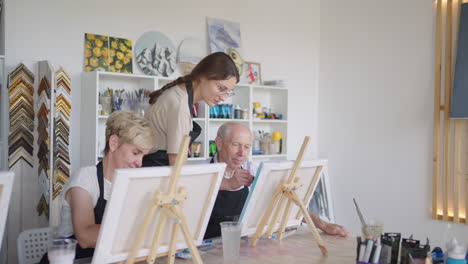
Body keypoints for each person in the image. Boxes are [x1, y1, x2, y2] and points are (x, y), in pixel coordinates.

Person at [39, 111, 155, 263]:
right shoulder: (85, 178)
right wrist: (141, 232)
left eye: (143, 156)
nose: (139, 163)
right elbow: (85, 237)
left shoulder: (129, 185)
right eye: (135, 153)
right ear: (113, 143)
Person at [204, 122, 349, 239]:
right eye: (235, 145)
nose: (242, 153)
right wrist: (228, 184)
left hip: (242, 242)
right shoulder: (202, 171)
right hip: (206, 244)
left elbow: (287, 199)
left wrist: (323, 225)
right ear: (219, 143)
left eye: (247, 147)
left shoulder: (254, 170)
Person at [143, 52, 239, 167]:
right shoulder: (180, 104)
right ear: (203, 76)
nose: (223, 98)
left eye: (227, 92)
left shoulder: (180, 95)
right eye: (221, 88)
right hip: (157, 172)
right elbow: (177, 165)